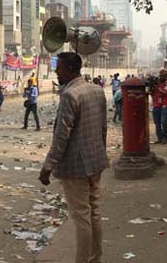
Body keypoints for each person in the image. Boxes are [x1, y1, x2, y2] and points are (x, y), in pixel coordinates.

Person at [39, 52, 109, 263]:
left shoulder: (70, 95)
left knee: (81, 217)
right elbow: (103, 127)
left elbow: (62, 135)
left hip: (76, 166)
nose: (56, 72)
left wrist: (48, 166)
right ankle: (95, 258)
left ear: (70, 69)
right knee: (93, 212)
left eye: (59, 68)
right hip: (95, 161)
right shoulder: (96, 91)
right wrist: (100, 153)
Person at [151, 70, 167, 144]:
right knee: (157, 122)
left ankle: (165, 137)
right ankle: (159, 138)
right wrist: (152, 86)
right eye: (160, 75)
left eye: (162, 76)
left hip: (164, 105)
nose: (161, 77)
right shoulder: (157, 83)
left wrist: (155, 87)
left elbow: (164, 92)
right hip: (156, 104)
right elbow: (152, 93)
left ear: (166, 76)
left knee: (163, 122)